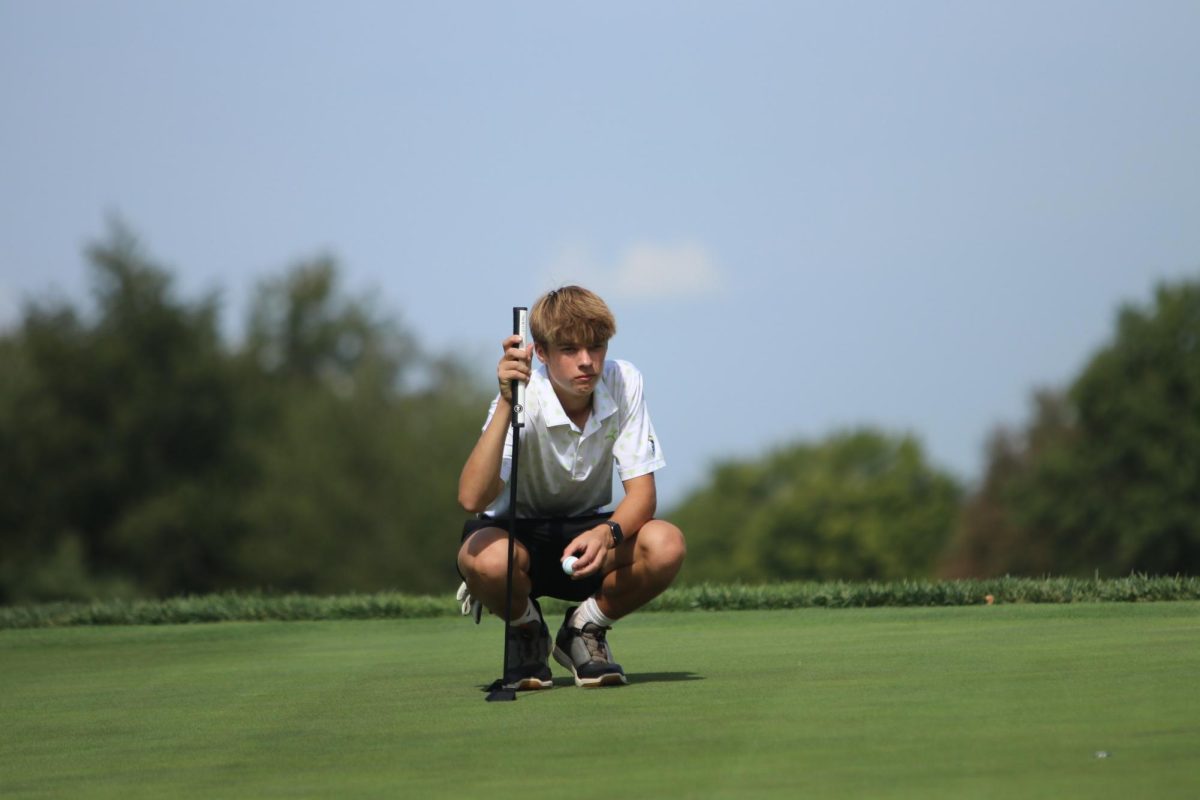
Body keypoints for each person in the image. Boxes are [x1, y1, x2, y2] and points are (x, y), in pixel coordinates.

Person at [456, 285, 686, 689]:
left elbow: (643, 495)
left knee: (666, 544)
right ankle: (527, 630)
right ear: (540, 353)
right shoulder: (523, 392)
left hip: (589, 534)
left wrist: (608, 532)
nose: (587, 362)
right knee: (484, 560)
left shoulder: (624, 380)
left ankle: (583, 630)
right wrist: (507, 403)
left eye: (596, 347)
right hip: (516, 537)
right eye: (569, 350)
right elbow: (472, 498)